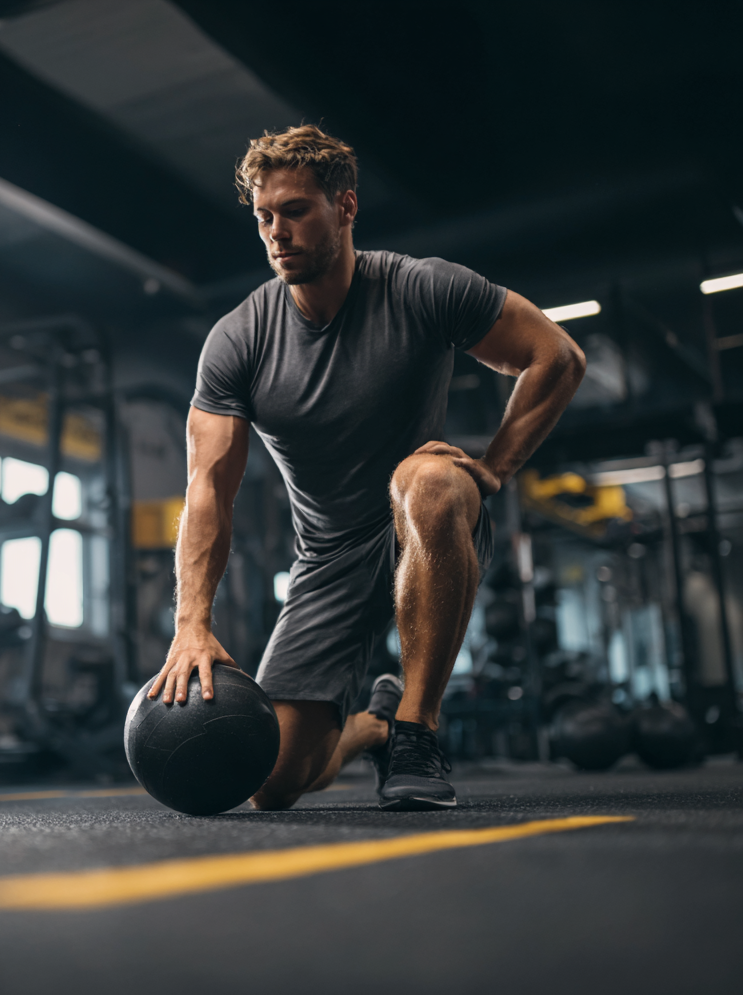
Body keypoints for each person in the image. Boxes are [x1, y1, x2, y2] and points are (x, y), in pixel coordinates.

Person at [147, 125, 585, 811]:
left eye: (295, 210)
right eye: (264, 217)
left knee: (430, 479)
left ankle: (417, 728)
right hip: (326, 557)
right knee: (273, 783)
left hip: (429, 520)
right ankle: (374, 728)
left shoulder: (421, 288)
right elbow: (208, 489)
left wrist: (494, 470)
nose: (276, 232)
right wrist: (190, 624)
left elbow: (556, 356)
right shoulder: (238, 340)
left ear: (345, 207)